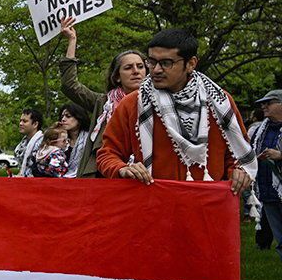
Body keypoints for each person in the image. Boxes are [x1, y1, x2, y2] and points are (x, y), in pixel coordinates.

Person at [97, 29, 255, 193]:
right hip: (154, 205)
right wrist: (122, 169)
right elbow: (107, 154)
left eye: (166, 63)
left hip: (208, 205)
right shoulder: (132, 104)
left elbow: (238, 154)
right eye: (151, 61)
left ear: (191, 63)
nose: (156, 69)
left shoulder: (220, 102)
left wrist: (239, 172)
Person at [58, 16, 147, 177]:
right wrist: (72, 40)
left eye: (140, 66)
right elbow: (69, 85)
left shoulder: (160, 103)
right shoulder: (103, 103)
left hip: (143, 174)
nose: (136, 71)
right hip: (102, 175)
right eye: (128, 67)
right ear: (117, 76)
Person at [249, 89, 282, 260]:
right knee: (280, 238)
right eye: (262, 103)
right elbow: (249, 152)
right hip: (268, 191)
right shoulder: (259, 130)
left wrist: (280, 155)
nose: (263, 106)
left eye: (268, 103)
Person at [55, 103, 92, 179]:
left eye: (68, 116)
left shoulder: (90, 139)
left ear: (79, 118)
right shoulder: (57, 139)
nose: (63, 119)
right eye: (62, 116)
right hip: (58, 182)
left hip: (84, 181)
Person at [12, 108, 45, 177]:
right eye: (20, 121)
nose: (20, 123)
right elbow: (23, 168)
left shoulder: (43, 143)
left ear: (35, 124)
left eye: (24, 121)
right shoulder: (23, 143)